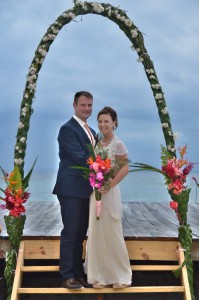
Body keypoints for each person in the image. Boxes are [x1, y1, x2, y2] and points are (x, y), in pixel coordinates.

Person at [85, 106, 132, 289]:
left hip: (110, 192)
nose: (103, 124)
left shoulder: (118, 144)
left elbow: (125, 169)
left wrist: (108, 185)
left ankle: (119, 276)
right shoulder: (97, 143)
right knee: (97, 233)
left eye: (106, 121)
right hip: (95, 193)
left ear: (114, 123)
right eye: (100, 121)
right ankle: (99, 276)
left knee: (112, 233)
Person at [53, 91, 96, 290]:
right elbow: (81, 157)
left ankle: (78, 274)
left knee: (81, 233)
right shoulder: (67, 129)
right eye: (83, 105)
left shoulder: (92, 131)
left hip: (87, 189)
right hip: (70, 188)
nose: (86, 109)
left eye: (89, 105)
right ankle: (67, 275)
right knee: (70, 232)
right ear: (74, 105)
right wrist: (104, 164)